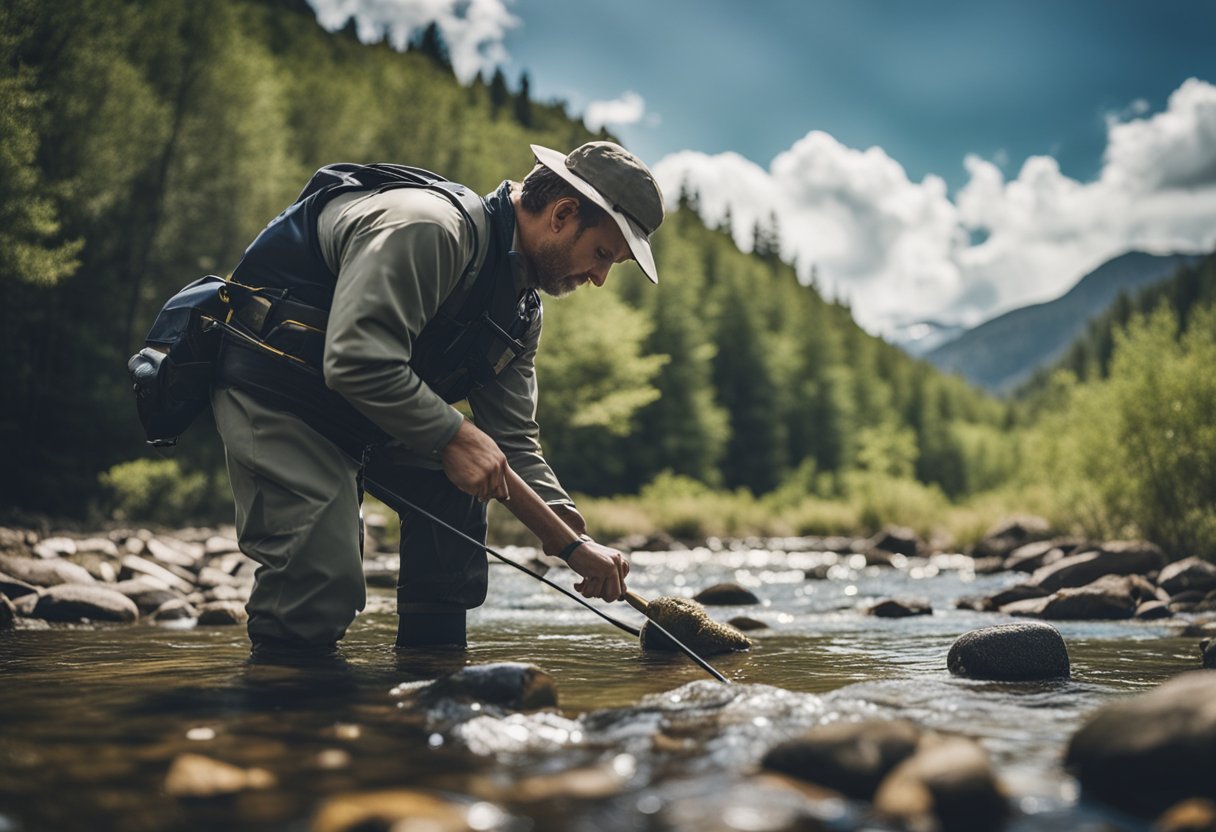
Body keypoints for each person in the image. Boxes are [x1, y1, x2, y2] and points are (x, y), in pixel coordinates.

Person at [208, 142, 665, 658]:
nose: (601, 278)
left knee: (460, 488)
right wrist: (453, 434)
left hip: (367, 413)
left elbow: (511, 442)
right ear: (562, 214)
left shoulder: (521, 314)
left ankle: (432, 685)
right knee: (320, 588)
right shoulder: (429, 229)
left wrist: (571, 538)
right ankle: (282, 706)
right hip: (280, 388)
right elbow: (356, 360)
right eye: (602, 254)